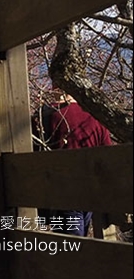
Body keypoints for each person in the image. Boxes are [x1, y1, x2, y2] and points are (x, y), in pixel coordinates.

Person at [37, 90, 113, 237]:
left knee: (72, 244)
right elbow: (108, 157)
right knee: (80, 236)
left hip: (64, 191)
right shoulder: (96, 117)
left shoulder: (47, 115)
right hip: (91, 190)